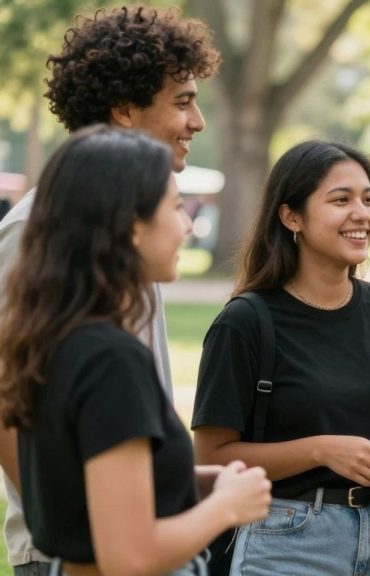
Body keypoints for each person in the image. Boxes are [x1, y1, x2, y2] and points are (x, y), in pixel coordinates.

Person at [0, 6, 219, 574]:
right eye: (182, 101)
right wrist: (73, 534)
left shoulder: (128, 231)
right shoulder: (36, 229)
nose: (198, 121)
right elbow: (7, 400)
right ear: (123, 110)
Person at [0, 126, 270, 576]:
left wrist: (200, 482)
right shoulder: (111, 360)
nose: (187, 226)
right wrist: (226, 506)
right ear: (132, 228)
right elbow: (129, 558)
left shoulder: (55, 339)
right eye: (177, 208)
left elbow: (88, 490)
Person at [191, 140, 370, 575]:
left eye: (368, 198)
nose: (362, 213)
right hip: (287, 541)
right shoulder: (245, 322)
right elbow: (211, 457)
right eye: (340, 200)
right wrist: (321, 451)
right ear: (292, 217)